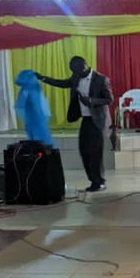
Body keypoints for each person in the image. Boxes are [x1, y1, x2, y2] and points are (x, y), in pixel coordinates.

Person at [36, 55, 113, 192]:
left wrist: (91, 101)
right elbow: (62, 83)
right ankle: (93, 180)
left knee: (95, 153)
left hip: (98, 120)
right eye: (73, 72)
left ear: (84, 67)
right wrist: (43, 78)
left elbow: (109, 99)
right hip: (85, 119)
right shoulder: (76, 77)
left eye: (76, 71)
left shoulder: (101, 79)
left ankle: (100, 182)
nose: (74, 75)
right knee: (84, 150)